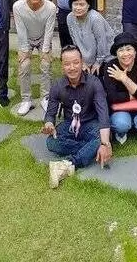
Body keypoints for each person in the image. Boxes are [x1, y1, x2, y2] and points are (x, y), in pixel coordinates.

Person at [43, 45, 112, 189]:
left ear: (82, 63)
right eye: (67, 64)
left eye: (75, 62)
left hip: (90, 123)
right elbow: (50, 113)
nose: (72, 67)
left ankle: (67, 164)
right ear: (62, 66)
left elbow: (103, 114)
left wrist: (105, 143)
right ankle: (91, 149)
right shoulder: (57, 86)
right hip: (69, 125)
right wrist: (49, 124)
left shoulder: (94, 83)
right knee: (51, 143)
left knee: (103, 138)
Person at [13, 0, 57, 116]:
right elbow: (20, 29)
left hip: (44, 36)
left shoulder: (50, 7)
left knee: (45, 65)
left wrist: (45, 51)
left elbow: (49, 30)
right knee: (24, 65)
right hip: (26, 38)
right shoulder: (18, 6)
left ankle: (46, 97)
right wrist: (25, 51)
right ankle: (26, 100)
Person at [102, 32, 137, 144]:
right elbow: (111, 97)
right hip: (119, 110)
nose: (125, 54)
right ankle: (121, 132)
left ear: (135, 51)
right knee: (121, 124)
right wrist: (134, 95)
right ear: (116, 53)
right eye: (121, 50)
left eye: (129, 49)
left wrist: (123, 78)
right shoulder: (110, 67)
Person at [66, 0, 114, 75]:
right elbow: (75, 41)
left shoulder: (95, 18)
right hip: (86, 58)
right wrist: (82, 61)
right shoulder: (70, 18)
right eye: (75, 4)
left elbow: (101, 42)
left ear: (88, 5)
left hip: (105, 57)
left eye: (82, 4)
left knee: (97, 81)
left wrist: (97, 63)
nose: (78, 8)